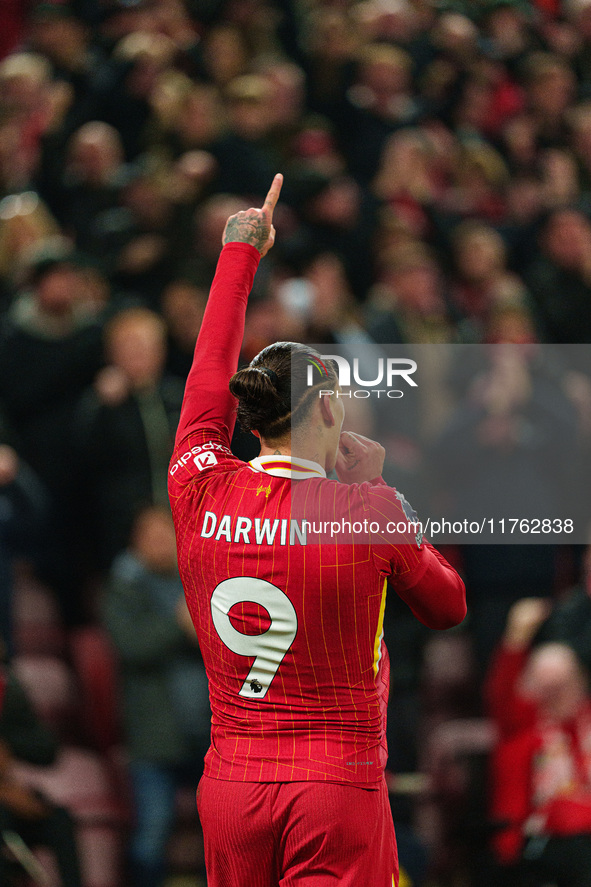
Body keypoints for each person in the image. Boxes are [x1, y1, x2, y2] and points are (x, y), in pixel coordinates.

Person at [168, 173, 466, 887]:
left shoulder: (195, 476)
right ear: (327, 413)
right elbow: (447, 604)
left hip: (232, 792)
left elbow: (207, 373)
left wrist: (239, 251)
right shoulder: (366, 509)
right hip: (334, 791)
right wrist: (371, 488)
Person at [102, 505, 209, 887]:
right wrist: (180, 625)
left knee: (221, 833)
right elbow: (131, 645)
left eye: (168, 534)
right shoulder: (124, 586)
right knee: (151, 834)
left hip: (208, 731)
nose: (162, 542)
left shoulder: (201, 576)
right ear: (137, 542)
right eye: (152, 536)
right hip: (154, 736)